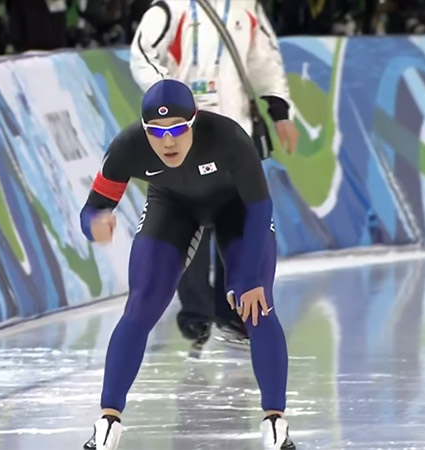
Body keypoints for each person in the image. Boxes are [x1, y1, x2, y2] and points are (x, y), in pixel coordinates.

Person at [79, 78, 295, 450]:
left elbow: (260, 208)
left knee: (256, 303)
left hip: (237, 209)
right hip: (172, 207)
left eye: (178, 129)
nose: (168, 141)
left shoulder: (229, 138)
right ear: (144, 130)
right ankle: (107, 423)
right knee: (141, 303)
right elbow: (93, 208)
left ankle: (274, 422)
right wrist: (95, 224)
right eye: (157, 132)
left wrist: (245, 278)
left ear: (193, 123)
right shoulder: (127, 148)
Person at [129, 0, 299, 351]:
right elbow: (142, 51)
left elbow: (262, 56)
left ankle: (232, 312)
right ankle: (195, 314)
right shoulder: (169, 7)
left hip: (235, 133)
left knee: (234, 220)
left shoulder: (245, 6)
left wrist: (278, 107)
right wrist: (167, 94)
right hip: (183, 133)